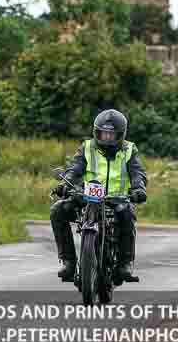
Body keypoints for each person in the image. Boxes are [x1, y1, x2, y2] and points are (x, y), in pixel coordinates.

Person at [50, 109, 147, 282]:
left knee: (128, 213)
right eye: (103, 133)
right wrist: (65, 183)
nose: (106, 137)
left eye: (111, 134)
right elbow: (75, 168)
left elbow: (137, 172)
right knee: (58, 210)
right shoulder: (87, 147)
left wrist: (138, 188)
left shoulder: (129, 150)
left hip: (117, 199)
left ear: (120, 135)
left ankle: (124, 265)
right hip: (87, 197)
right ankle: (69, 263)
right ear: (96, 132)